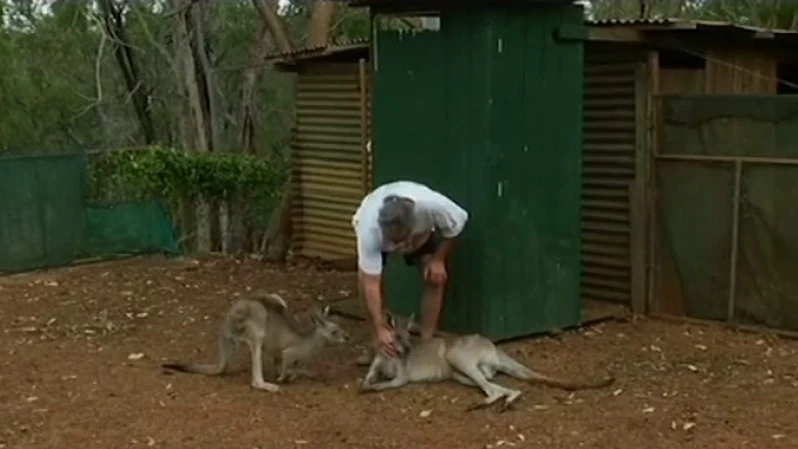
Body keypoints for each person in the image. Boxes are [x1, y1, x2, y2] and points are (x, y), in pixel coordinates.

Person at [351, 180, 469, 364]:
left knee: (435, 277)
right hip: (382, 233)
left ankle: (426, 345)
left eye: (402, 240)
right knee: (364, 279)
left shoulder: (432, 206)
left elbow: (456, 227)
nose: (399, 247)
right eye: (394, 241)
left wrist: (438, 259)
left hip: (421, 237)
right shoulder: (369, 228)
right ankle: (378, 342)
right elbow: (371, 283)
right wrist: (380, 326)